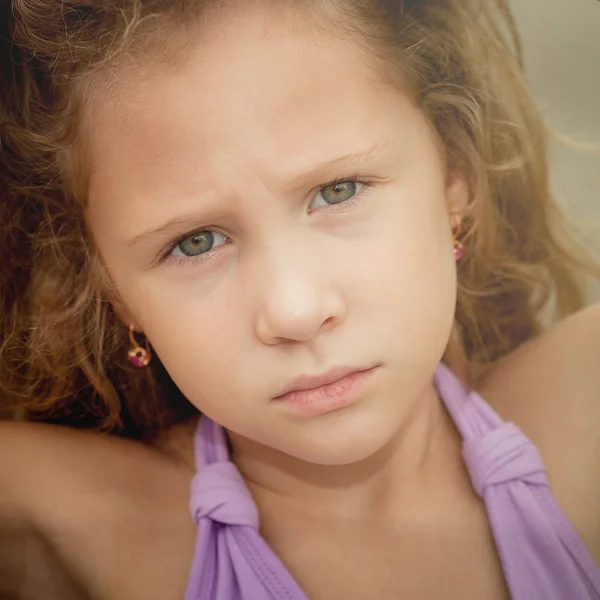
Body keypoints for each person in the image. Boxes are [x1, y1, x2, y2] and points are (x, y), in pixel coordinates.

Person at [0, 0, 599, 598]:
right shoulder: (77, 525)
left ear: (453, 181)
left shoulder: (584, 416)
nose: (296, 310)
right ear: (116, 295)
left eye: (338, 191)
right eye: (195, 242)